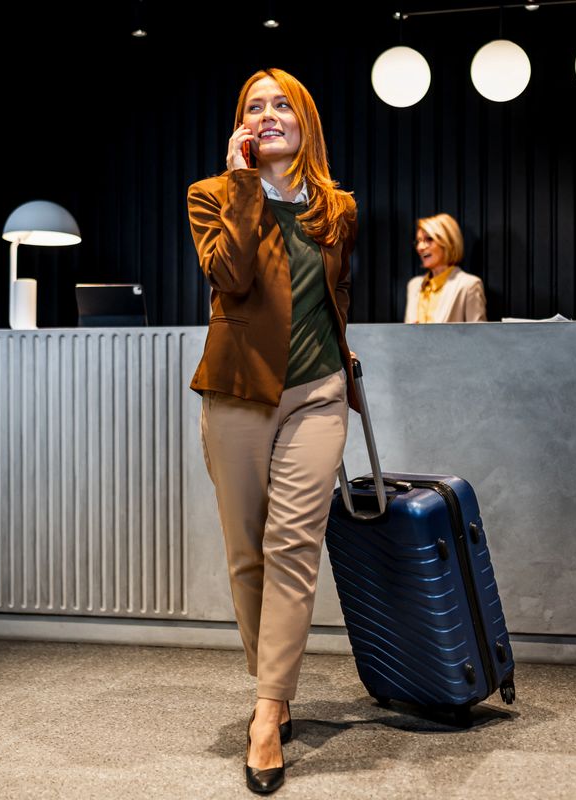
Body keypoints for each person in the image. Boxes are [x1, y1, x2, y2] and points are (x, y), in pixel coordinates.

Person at [186, 67, 360, 794]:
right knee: (246, 554)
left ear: (305, 121)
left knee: (294, 547)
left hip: (317, 397)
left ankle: (266, 713)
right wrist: (244, 185)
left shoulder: (337, 207)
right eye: (253, 107)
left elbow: (331, 295)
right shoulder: (211, 196)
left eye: (280, 104)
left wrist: (346, 369)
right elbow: (228, 277)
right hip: (237, 396)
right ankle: (277, 685)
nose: (267, 115)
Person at [403, 213, 487, 323]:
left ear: (449, 242)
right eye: (418, 241)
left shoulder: (469, 285)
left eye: (429, 239)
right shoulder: (413, 285)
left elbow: (479, 336)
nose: (420, 247)